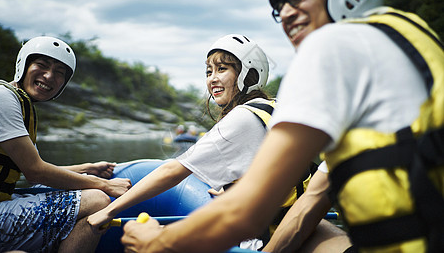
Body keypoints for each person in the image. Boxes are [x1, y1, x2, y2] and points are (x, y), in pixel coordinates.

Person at [119, 0, 444, 252]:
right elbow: (311, 201)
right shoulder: (411, 44)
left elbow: (246, 214)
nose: (285, 14)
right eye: (280, 7)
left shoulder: (329, 47)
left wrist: (158, 241)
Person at [89, 34, 312, 249]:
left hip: (259, 242)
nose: (212, 78)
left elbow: (172, 171)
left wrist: (109, 211)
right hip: (287, 226)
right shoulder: (274, 106)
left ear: (249, 75)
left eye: (222, 69)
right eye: (209, 71)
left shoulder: (242, 118)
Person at [0, 36, 132, 253]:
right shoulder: (2, 98)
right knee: (97, 199)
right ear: (23, 65)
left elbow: (27, 169)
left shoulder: (17, 103)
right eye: (41, 65)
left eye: (59, 72)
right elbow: (35, 172)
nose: (49, 76)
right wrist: (104, 184)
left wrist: (86, 168)